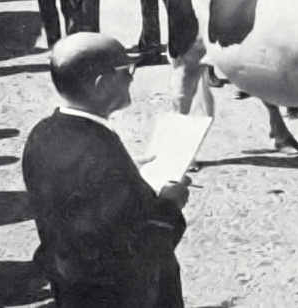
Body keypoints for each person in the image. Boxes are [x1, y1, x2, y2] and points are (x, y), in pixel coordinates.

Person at [22, 32, 190, 307]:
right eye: (126, 71)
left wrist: (128, 176)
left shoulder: (41, 135)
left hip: (71, 290)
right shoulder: (101, 155)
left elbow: (77, 195)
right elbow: (138, 252)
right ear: (100, 85)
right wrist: (171, 204)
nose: (131, 78)